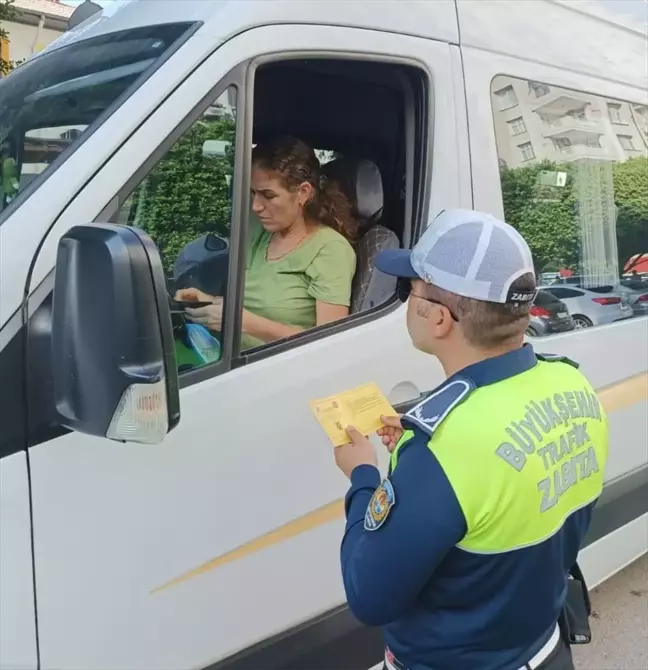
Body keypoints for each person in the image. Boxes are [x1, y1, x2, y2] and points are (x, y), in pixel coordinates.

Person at [334, 209, 609, 670]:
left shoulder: (442, 450)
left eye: (409, 289)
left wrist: (362, 475)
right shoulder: (572, 386)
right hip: (544, 650)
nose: (405, 301)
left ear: (439, 318)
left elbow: (369, 597)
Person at [176, 136, 357, 350]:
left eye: (268, 196)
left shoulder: (330, 250)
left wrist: (244, 322)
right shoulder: (261, 233)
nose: (255, 207)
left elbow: (329, 345)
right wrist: (209, 304)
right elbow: (251, 307)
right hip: (226, 358)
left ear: (303, 192)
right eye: (253, 193)